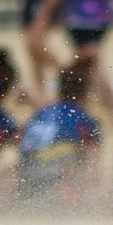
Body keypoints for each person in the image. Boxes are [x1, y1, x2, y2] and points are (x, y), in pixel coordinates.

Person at [15, 58, 100, 207]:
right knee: (78, 152)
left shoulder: (43, 112)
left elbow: (18, 138)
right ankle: (68, 194)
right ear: (86, 93)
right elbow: (92, 157)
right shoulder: (82, 118)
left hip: (25, 177)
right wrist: (94, 194)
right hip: (55, 180)